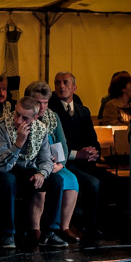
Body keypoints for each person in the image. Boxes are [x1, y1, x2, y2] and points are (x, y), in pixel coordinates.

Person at [0, 96, 66, 249]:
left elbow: (46, 160)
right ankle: (8, 233)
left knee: (57, 181)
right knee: (8, 181)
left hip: (28, 169)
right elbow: (0, 164)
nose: (18, 120)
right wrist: (18, 144)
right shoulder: (1, 126)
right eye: (17, 114)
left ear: (35, 117)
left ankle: (49, 232)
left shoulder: (41, 128)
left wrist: (42, 173)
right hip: (5, 169)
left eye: (25, 118)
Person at [49, 71, 104, 237]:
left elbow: (93, 140)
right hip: (66, 162)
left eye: (65, 82)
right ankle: (86, 226)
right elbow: (55, 144)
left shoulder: (83, 111)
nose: (61, 86)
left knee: (114, 181)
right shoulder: (51, 111)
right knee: (92, 183)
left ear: (74, 87)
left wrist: (94, 152)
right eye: (57, 83)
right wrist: (77, 154)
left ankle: (102, 224)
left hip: (86, 162)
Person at [26, 82, 80, 243]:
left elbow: (63, 144)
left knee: (71, 180)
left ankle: (64, 227)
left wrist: (60, 164)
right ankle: (36, 228)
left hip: (54, 163)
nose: (42, 107)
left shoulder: (53, 116)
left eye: (45, 102)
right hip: (34, 164)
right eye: (38, 102)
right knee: (42, 183)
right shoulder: (25, 116)